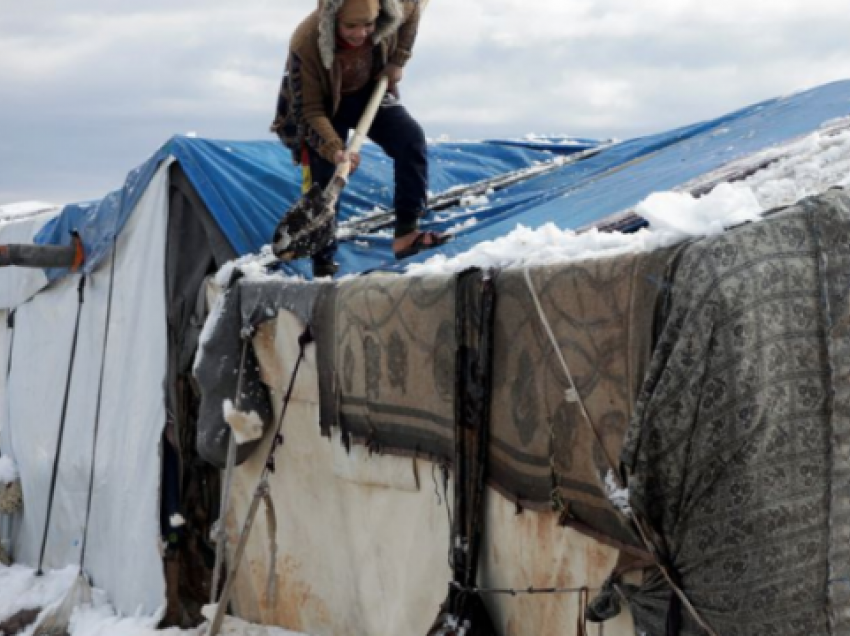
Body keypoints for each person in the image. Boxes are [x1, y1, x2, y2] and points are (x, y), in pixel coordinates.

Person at [271, 0, 448, 277]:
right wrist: (335, 150)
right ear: (334, 19)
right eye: (351, 26)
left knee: (410, 139)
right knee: (326, 177)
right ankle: (323, 261)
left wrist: (398, 59)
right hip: (324, 106)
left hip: (366, 88)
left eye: (368, 25)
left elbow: (413, 10)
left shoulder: (392, 7)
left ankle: (406, 234)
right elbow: (310, 110)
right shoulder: (306, 42)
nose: (361, 33)